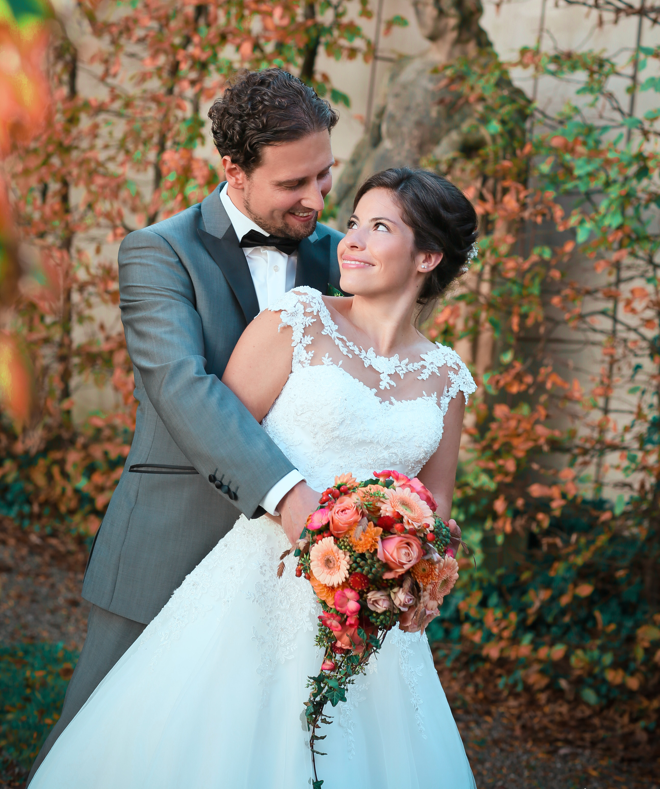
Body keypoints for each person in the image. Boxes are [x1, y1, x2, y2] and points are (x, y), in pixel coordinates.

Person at [29, 166, 478, 789]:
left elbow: (435, 507)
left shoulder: (447, 378)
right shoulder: (296, 322)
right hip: (255, 585)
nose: (350, 239)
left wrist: (412, 572)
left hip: (366, 619)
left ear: (427, 255)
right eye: (352, 223)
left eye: (379, 227)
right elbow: (223, 443)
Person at [27, 68, 346, 779]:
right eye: (294, 184)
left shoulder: (334, 258)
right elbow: (182, 387)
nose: (317, 199)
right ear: (234, 171)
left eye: (326, 175)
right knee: (99, 746)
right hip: (170, 542)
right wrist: (292, 496)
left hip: (296, 569)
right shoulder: (158, 251)